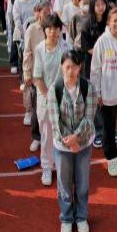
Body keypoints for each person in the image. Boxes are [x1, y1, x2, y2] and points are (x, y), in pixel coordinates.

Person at [49, 50, 97, 232]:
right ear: (62, 67)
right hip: (62, 147)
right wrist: (70, 142)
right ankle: (67, 218)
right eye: (67, 67)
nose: (70, 71)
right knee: (64, 184)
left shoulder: (88, 87)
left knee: (83, 183)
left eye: (74, 67)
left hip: (83, 145)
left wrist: (77, 139)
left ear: (80, 68)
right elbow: (55, 122)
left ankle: (81, 217)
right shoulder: (55, 89)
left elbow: (89, 119)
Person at [90, 7, 117, 176]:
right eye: (114, 20)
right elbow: (95, 69)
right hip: (107, 93)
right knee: (108, 128)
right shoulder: (102, 41)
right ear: (108, 22)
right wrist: (97, 92)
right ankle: (111, 158)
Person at [31, 14, 71, 186]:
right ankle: (47, 166)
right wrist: (49, 95)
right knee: (47, 134)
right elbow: (37, 77)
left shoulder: (65, 47)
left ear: (60, 30)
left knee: (64, 132)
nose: (53, 32)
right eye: (49, 28)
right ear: (44, 30)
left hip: (64, 95)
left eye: (56, 28)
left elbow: (70, 72)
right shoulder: (40, 49)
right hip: (45, 97)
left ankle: (62, 166)